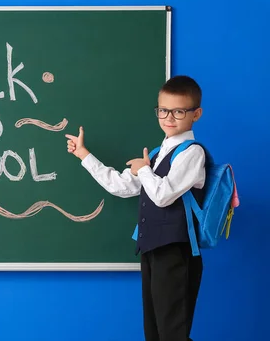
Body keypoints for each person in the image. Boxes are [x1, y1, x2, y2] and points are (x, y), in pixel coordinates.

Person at [65, 75, 206, 341]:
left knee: (172, 332)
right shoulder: (155, 154)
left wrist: (145, 171)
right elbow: (120, 186)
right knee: (154, 331)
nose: (169, 118)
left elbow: (163, 195)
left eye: (178, 111)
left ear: (195, 114)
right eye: (163, 110)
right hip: (152, 249)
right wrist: (84, 154)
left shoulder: (192, 153)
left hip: (176, 252)